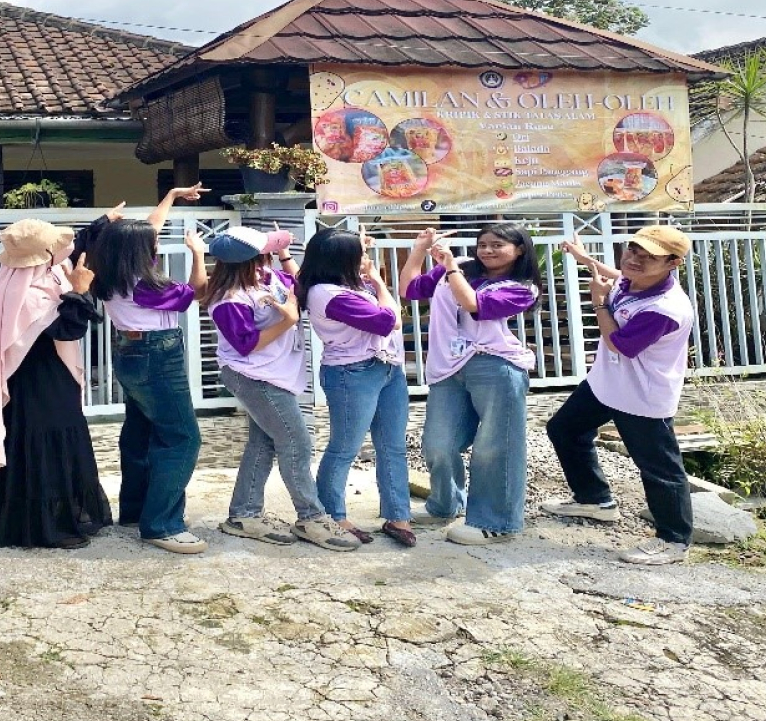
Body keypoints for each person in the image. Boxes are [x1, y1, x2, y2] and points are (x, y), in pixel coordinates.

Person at [544, 226, 697, 566]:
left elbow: (622, 345)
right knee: (564, 429)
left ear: (672, 263)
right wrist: (587, 261)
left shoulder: (666, 308)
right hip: (606, 383)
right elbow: (619, 278)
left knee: (659, 468)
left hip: (642, 396)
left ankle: (674, 539)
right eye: (633, 250)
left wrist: (598, 303)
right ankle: (594, 499)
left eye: (648, 257)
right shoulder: (635, 281)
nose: (634, 260)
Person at [205, 226, 359, 552]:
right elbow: (246, 345)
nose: (268, 257)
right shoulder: (228, 301)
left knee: (264, 443)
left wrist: (286, 255)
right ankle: (311, 517)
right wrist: (287, 321)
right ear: (247, 260)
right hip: (253, 375)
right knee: (297, 443)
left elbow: (297, 285)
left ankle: (243, 515)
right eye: (264, 253)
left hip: (274, 374)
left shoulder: (266, 278)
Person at [401, 225, 541, 546]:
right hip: (448, 367)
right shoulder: (461, 266)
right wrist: (420, 249)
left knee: (495, 447)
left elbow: (474, 304)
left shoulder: (521, 287)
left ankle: (497, 523)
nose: (487, 251)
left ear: (520, 249)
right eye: (483, 245)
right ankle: (445, 504)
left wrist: (449, 266)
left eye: (497, 245)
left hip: (496, 366)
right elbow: (409, 289)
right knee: (438, 443)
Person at [90, 184, 209, 554]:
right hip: (157, 355)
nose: (155, 244)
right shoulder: (144, 284)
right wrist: (198, 254)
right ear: (140, 253)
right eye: (151, 245)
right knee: (182, 437)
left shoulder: (108, 269)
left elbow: (150, 228)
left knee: (141, 430)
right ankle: (162, 524)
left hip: (128, 350)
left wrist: (172, 196)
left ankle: (136, 509)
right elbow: (199, 291)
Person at [0, 219, 113, 548]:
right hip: (42, 377)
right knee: (48, 442)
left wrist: (105, 223)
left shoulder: (23, 278)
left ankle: (40, 515)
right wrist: (80, 292)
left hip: (35, 376)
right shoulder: (28, 294)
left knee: (41, 441)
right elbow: (66, 330)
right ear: (43, 253)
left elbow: (73, 246)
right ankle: (47, 524)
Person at [298, 228, 414, 547]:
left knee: (392, 445)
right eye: (359, 254)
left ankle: (398, 514)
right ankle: (332, 515)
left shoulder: (345, 284)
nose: (365, 258)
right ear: (341, 259)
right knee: (344, 448)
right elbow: (390, 320)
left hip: (387, 367)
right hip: (353, 373)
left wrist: (370, 276)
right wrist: (378, 282)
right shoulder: (327, 293)